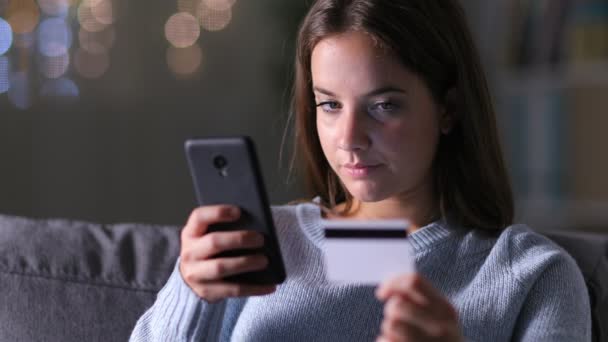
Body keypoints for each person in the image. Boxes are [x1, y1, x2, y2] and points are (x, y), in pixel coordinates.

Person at [130, 0, 591, 341]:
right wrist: (190, 292)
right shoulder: (258, 243)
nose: (348, 137)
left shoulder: (531, 274)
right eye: (329, 104)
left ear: (448, 108)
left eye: (384, 105)